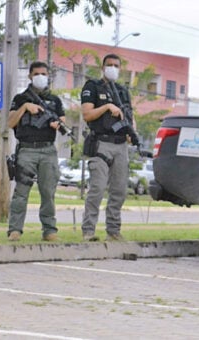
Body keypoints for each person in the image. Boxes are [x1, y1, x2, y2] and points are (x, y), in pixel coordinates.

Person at [6, 61, 64, 242]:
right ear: (30, 76)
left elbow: (62, 122)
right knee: (21, 192)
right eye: (37, 73)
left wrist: (58, 124)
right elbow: (10, 122)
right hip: (27, 150)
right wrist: (25, 108)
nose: (41, 76)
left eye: (44, 73)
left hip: (48, 150)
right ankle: (15, 229)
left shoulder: (54, 100)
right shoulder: (20, 98)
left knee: (48, 192)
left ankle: (49, 230)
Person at [80, 53, 135, 242]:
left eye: (116, 65)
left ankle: (113, 230)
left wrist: (131, 131)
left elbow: (129, 115)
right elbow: (87, 114)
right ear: (102, 68)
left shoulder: (122, 91)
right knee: (97, 188)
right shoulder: (92, 87)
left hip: (120, 145)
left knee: (119, 190)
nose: (113, 68)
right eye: (109, 65)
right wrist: (106, 107)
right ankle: (88, 230)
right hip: (101, 144)